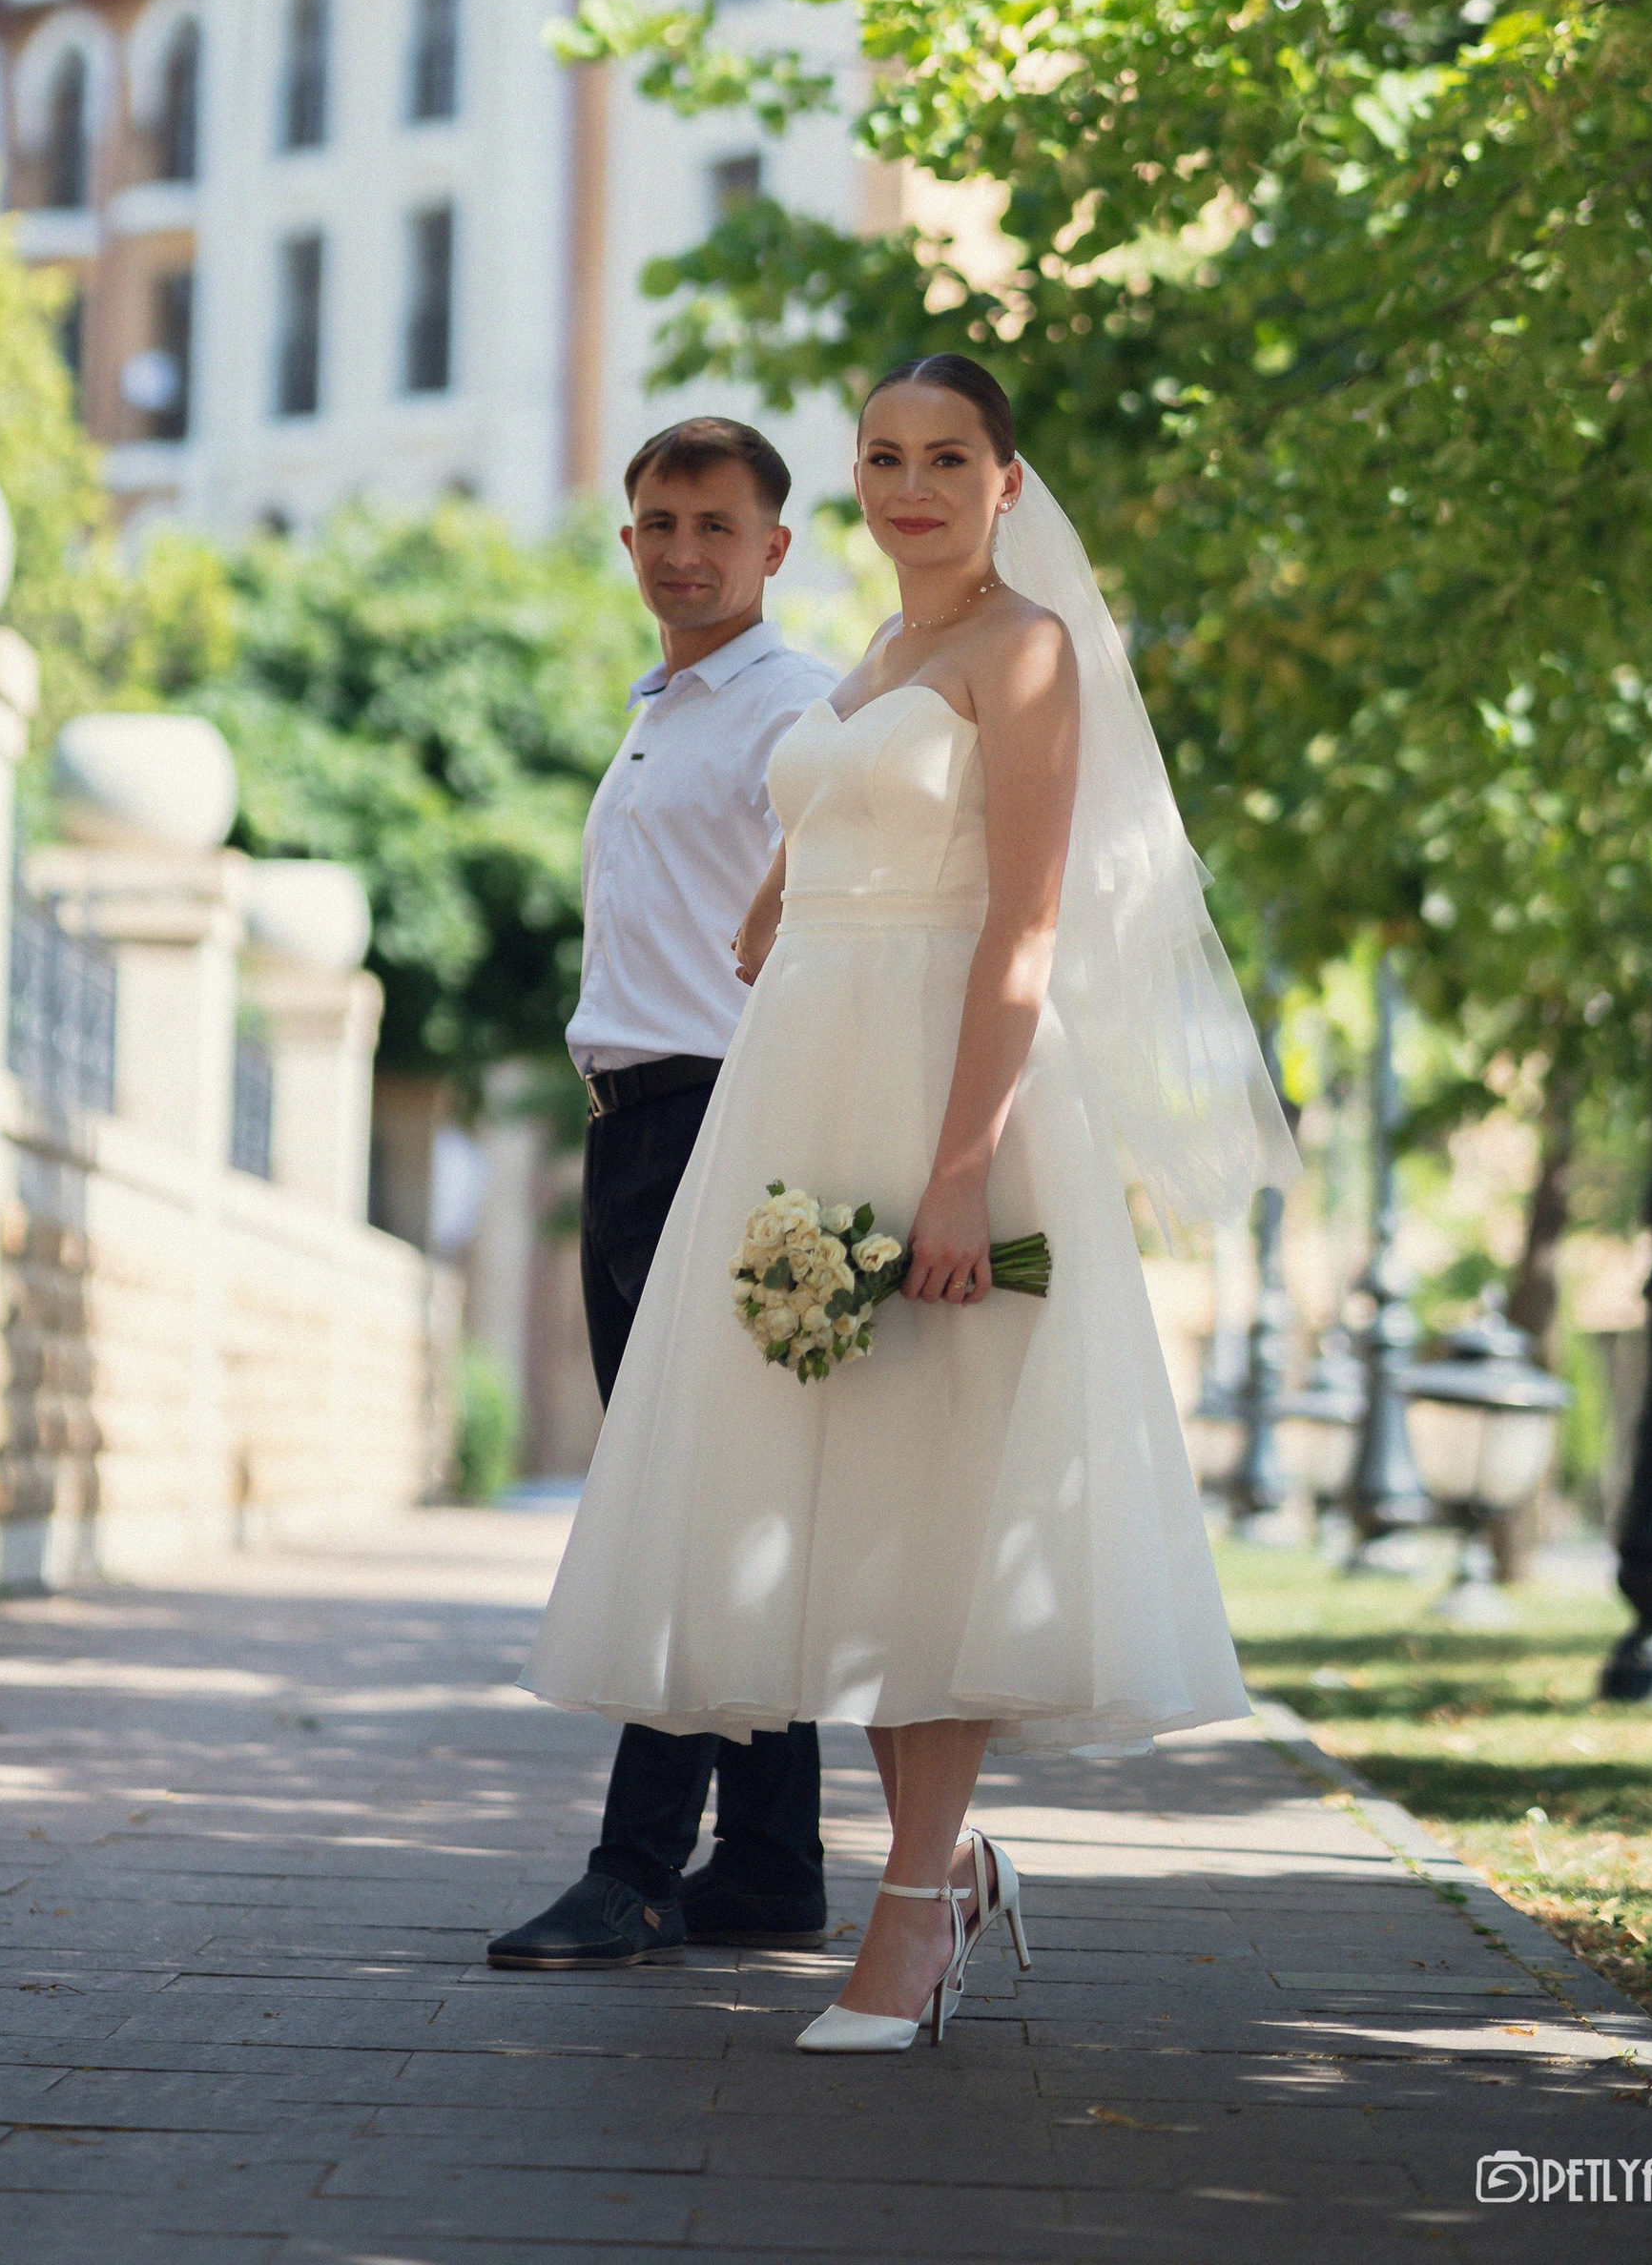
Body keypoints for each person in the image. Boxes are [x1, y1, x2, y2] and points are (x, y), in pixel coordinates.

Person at [530, 350, 1298, 2049]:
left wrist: (960, 1177)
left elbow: (1021, 923)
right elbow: (846, 801)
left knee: (940, 1505)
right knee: (864, 1511)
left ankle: (905, 1917)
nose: (913, 487)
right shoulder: (874, 655)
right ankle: (942, 1873)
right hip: (810, 1090)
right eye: (884, 457)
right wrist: (784, 889)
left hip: (945, 1094)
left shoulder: (1026, 651)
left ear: (1006, 483)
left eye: (949, 458)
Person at [487, 417, 840, 1971]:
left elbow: (829, 939)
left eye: (716, 524)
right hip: (631, 1129)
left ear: (775, 546)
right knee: (717, 1501)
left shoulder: (796, 710)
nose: (683, 551)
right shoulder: (662, 711)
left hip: (726, 1126)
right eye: (658, 524)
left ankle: (635, 1870)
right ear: (627, 541)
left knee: (684, 1503)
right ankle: (769, 1863)